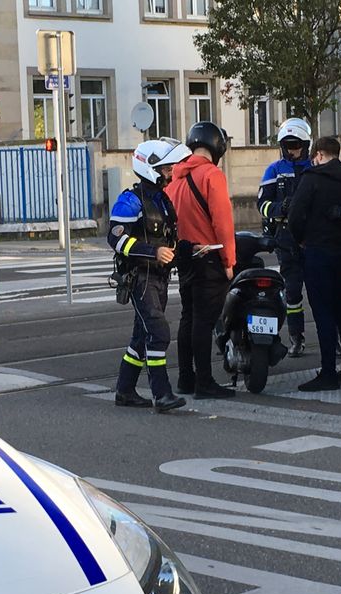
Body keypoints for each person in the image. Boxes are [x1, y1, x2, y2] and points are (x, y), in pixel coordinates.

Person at [108, 139, 190, 413]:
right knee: (158, 332)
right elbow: (116, 239)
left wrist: (190, 251)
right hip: (140, 278)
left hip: (159, 277)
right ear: (150, 167)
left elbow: (169, 240)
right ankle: (162, 394)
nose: (170, 172)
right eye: (166, 168)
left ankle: (125, 390)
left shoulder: (163, 200)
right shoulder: (130, 200)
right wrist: (152, 252)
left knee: (141, 338)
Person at [166, 121, 237, 400]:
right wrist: (229, 261)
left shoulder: (176, 178)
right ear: (216, 146)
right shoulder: (212, 176)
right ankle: (205, 382)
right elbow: (222, 222)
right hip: (209, 256)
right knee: (204, 322)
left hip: (185, 257)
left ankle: (186, 378)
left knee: (188, 317)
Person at [287, 136, 341, 391]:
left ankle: (328, 372)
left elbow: (295, 214)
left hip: (317, 250)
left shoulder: (312, 178)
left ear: (319, 154)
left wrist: (301, 240)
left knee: (322, 312)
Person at [258, 117, 312, 357]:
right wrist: (280, 208)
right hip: (286, 236)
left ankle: (335, 340)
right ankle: (296, 338)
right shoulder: (274, 170)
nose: (292, 150)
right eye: (288, 145)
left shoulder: (315, 168)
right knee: (292, 292)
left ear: (306, 145)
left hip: (313, 237)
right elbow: (262, 204)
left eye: (296, 145)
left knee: (321, 290)